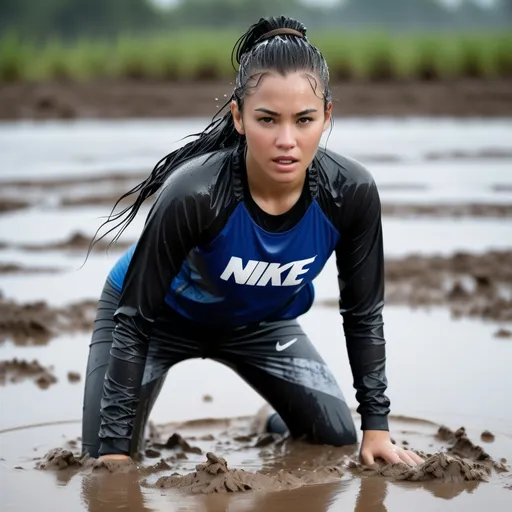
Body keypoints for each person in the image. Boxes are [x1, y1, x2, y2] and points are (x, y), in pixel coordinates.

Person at [81, 15, 423, 468]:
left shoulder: (351, 193)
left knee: (336, 437)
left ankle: (270, 416)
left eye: (304, 119)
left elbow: (362, 315)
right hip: (156, 320)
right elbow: (135, 318)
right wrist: (114, 452)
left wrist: (376, 426)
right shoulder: (195, 194)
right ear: (239, 117)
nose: (287, 141)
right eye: (267, 119)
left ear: (327, 117)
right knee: (105, 460)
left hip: (260, 325)